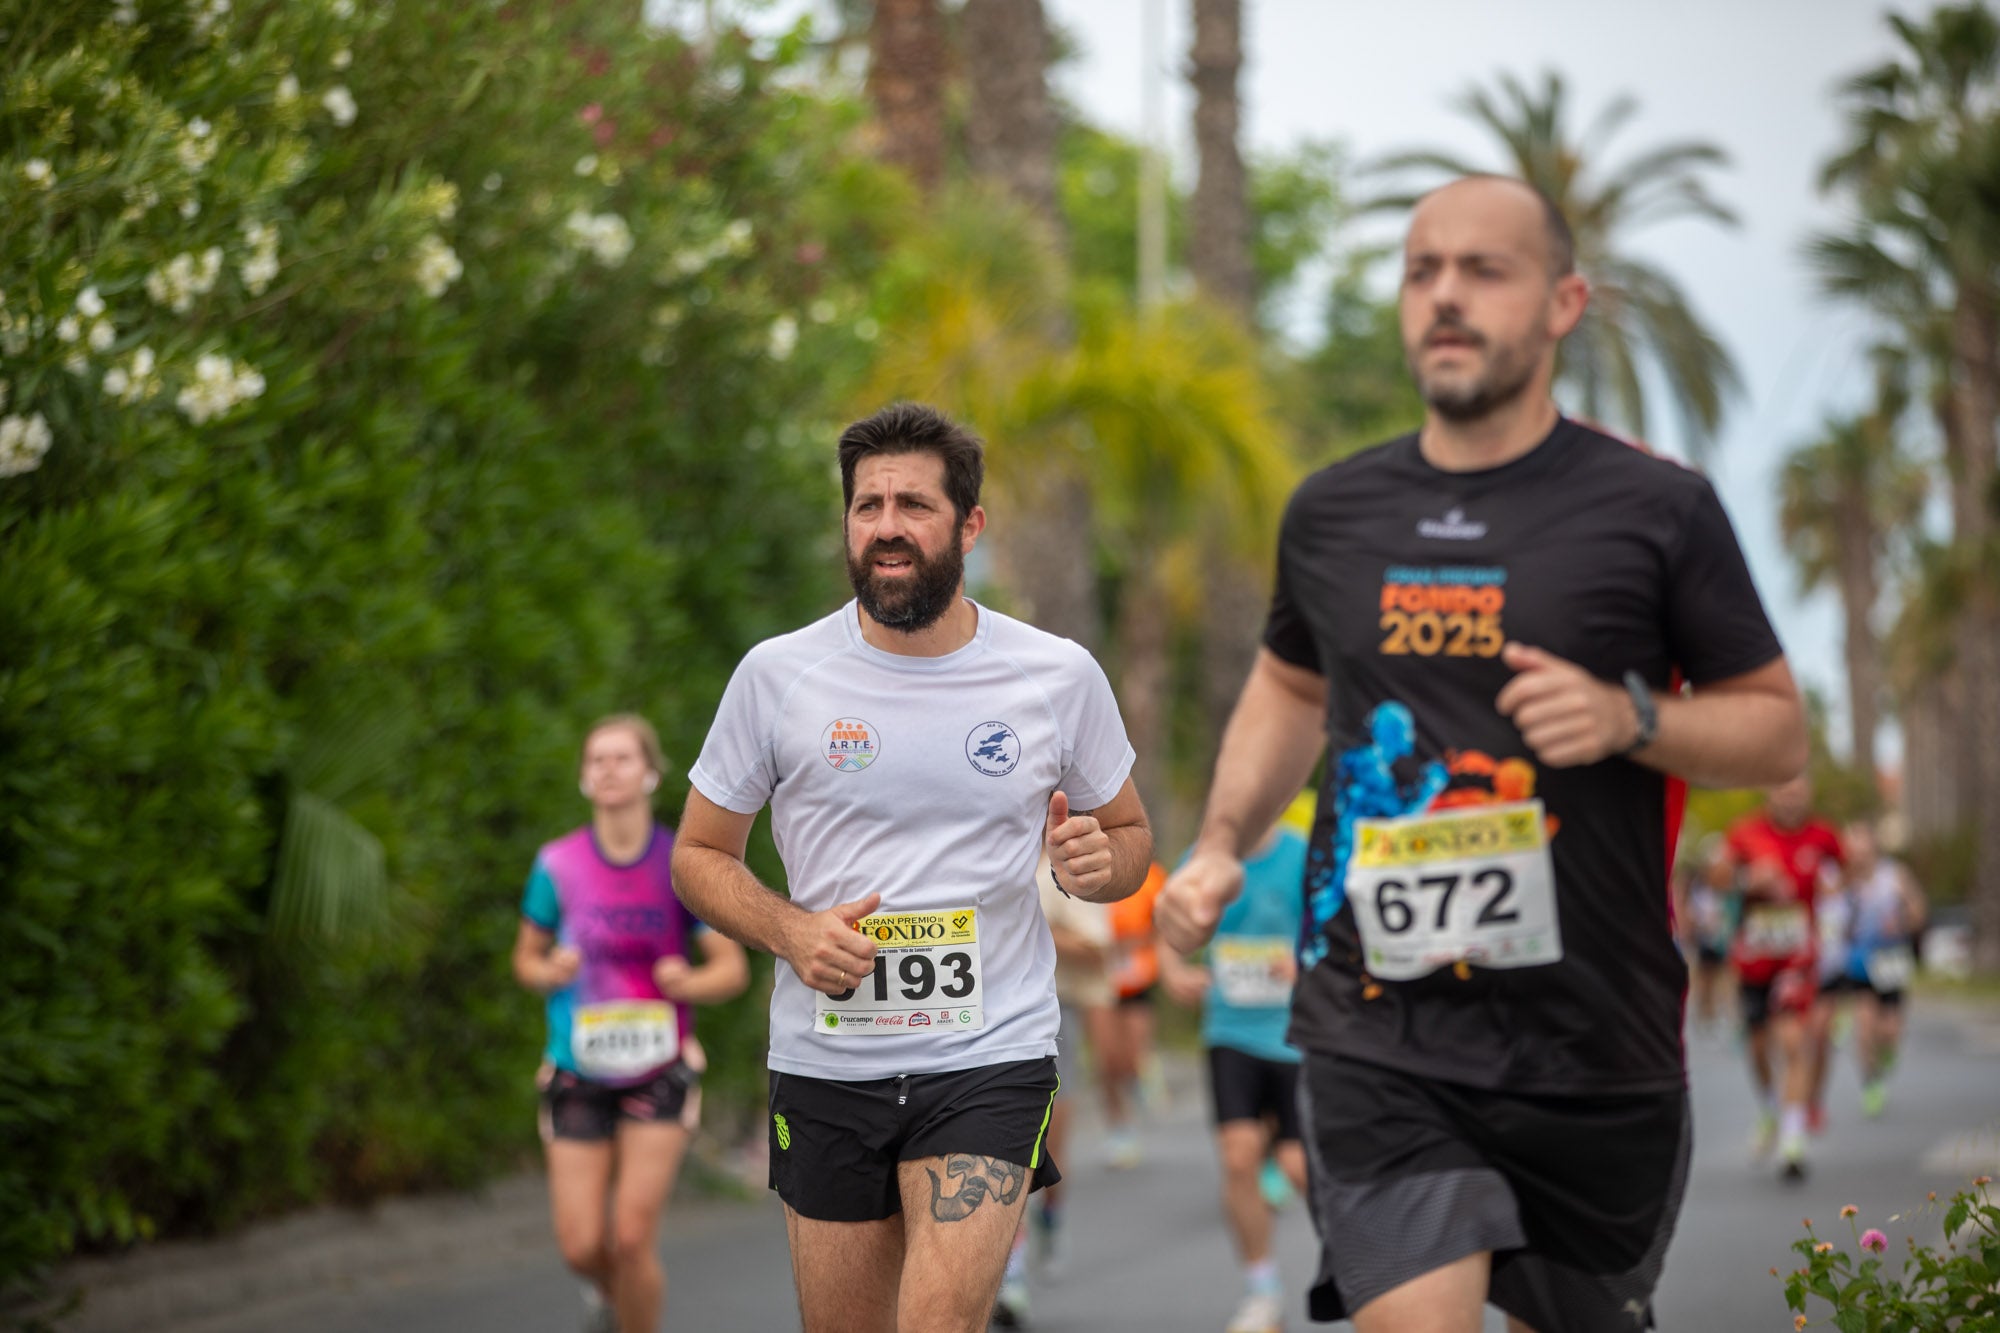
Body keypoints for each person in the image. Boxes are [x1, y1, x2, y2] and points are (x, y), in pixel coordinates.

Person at [1156, 174, 1808, 1333]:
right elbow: (1289, 684)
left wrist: (1631, 720)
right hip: (1375, 1023)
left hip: (1591, 1039)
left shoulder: (1655, 508)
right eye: (1422, 271)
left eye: (1482, 270)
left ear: (1563, 303)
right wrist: (1217, 843)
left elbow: (1772, 725)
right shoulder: (1333, 512)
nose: (1444, 296)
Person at [670, 402, 1153, 1333]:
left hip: (990, 1052)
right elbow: (697, 854)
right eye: (868, 505)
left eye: (914, 505)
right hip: (827, 1059)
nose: (886, 525)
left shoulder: (1055, 674)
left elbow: (1130, 834)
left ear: (970, 525)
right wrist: (791, 931)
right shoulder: (778, 675)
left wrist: (1100, 862)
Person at [512, 714, 750, 1333]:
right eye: (597, 759)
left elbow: (730, 969)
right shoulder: (557, 864)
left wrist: (688, 982)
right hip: (577, 1068)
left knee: (631, 1236)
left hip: (659, 1069)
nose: (609, 769)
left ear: (650, 773)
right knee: (580, 1245)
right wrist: (548, 970)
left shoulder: (679, 864)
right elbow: (525, 960)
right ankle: (611, 1296)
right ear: (583, 777)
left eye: (622, 758)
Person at [1161, 819, 1311, 1333]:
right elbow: (1168, 926)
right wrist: (1175, 971)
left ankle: (1358, 1269)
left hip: (1294, 1035)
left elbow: (1337, 928)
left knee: (1297, 1166)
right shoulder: (1203, 858)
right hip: (1230, 1030)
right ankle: (1262, 1291)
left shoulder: (1301, 854)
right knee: (1239, 1156)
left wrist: (1305, 965)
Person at [1720, 773, 1842, 1178]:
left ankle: (1793, 1141)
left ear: (1809, 795)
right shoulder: (1745, 833)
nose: (1791, 800)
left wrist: (1835, 897)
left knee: (1793, 1041)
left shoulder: (1823, 836)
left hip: (1797, 958)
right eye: (1784, 792)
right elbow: (1716, 878)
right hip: (1755, 956)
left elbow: (1844, 876)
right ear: (1769, 793)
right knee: (1758, 1049)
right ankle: (1771, 1108)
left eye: (1798, 793)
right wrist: (1748, 880)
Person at [1815, 821, 1927, 1119]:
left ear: (1874, 849)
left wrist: (1903, 919)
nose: (1859, 857)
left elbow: (1918, 911)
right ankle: (1870, 1083)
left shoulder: (1895, 875)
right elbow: (1825, 913)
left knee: (1889, 1029)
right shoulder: (1840, 880)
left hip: (1890, 959)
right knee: (1864, 1026)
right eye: (1853, 852)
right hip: (1857, 961)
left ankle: (1886, 1053)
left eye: (1864, 850)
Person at [1094, 861, 1168, 1167]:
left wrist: (1138, 942)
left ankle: (1143, 1072)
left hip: (1137, 978)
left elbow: (1164, 925)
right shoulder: (1085, 870)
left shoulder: (1151, 876)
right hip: (1098, 978)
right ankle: (1119, 1128)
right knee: (1108, 1059)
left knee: (1132, 1057)